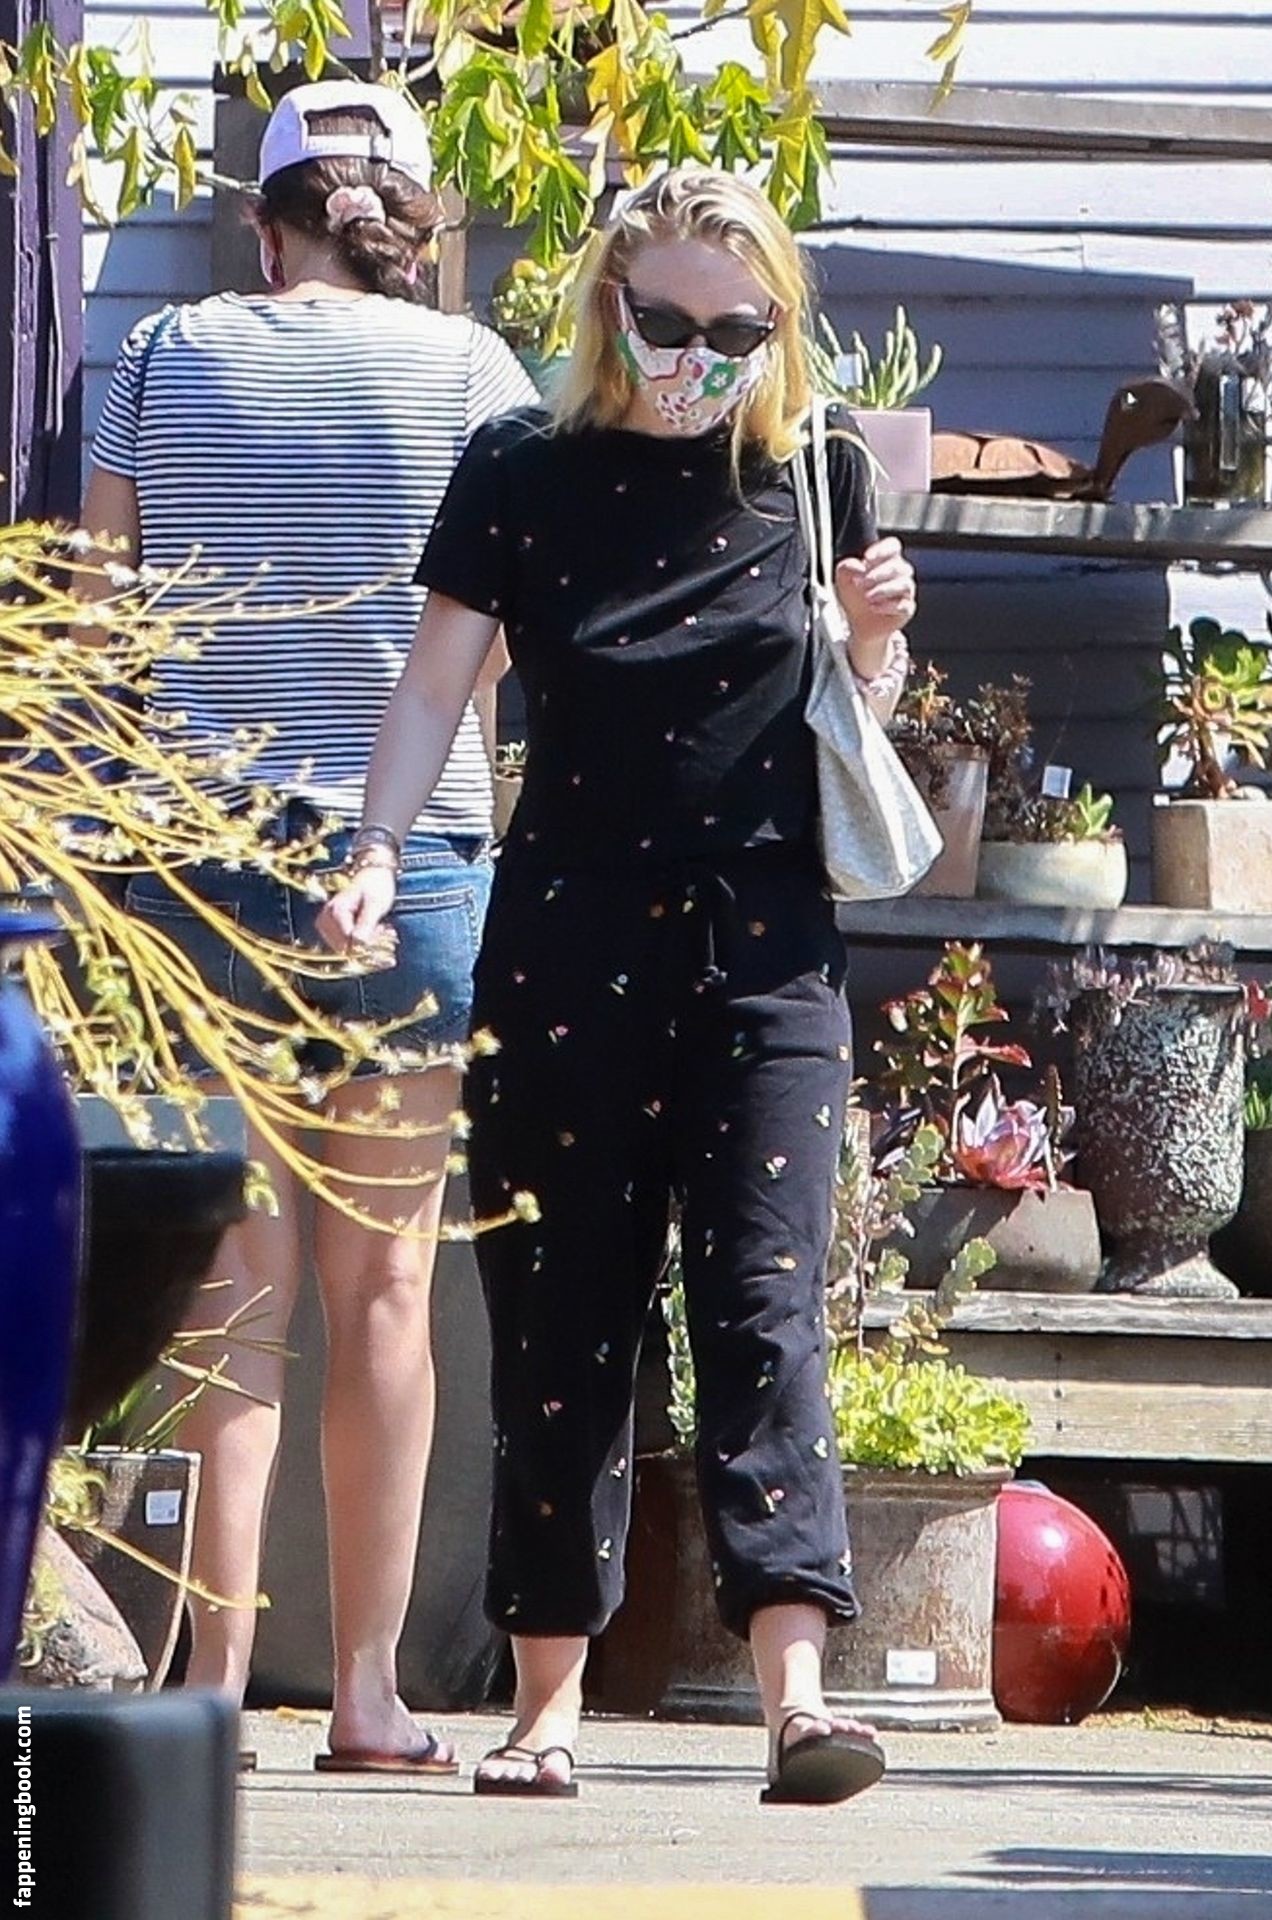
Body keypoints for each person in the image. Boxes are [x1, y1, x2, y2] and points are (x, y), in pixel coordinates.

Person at [318, 165, 918, 1803]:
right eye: (664, 322)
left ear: (778, 331)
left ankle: (798, 1699)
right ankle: (547, 1706)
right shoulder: (523, 468)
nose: (695, 359)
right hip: (569, 939)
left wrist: (875, 641)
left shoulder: (816, 471)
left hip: (766, 949)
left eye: (736, 331)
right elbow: (433, 686)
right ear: (607, 306)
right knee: (561, 1317)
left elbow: (857, 712)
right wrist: (377, 850)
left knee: (764, 1305)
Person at [81, 79, 535, 1772]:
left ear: (264, 229)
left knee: (232, 1293)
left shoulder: (159, 359)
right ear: (406, 227)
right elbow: (494, 640)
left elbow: (104, 619)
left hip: (200, 863)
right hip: (407, 862)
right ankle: (367, 1692)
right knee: (391, 1288)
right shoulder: (478, 375)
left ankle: (208, 1683)